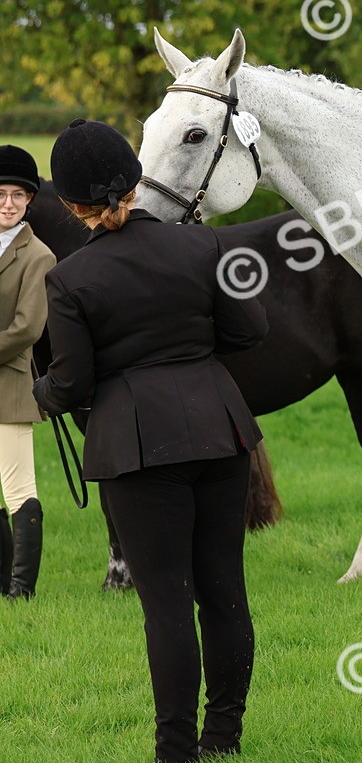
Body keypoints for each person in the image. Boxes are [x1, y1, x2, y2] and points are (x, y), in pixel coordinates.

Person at [33, 119, 268, 763]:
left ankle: (175, 752)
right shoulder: (202, 247)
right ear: (134, 185)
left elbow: (74, 380)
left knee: (166, 605)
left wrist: (43, 395)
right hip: (219, 430)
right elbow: (249, 329)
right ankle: (224, 738)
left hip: (138, 447)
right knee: (224, 591)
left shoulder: (70, 279)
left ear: (73, 207)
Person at [0, 144, 55, 600]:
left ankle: (21, 590)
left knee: (18, 488)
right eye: (1, 193)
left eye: (19, 195)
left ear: (30, 201)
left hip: (11, 385)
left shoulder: (38, 256)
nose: (9, 203)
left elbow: (27, 329)